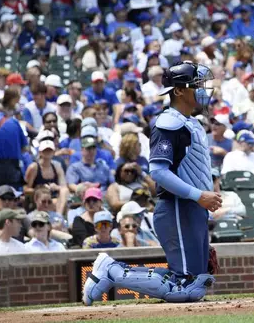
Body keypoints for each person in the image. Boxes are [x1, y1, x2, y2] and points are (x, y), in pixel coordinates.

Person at [83, 62, 220, 305]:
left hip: (192, 208)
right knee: (186, 288)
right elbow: (158, 171)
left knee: (195, 283)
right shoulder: (168, 122)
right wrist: (198, 195)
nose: (202, 90)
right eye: (196, 85)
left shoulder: (192, 123)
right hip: (177, 206)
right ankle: (112, 270)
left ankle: (111, 270)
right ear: (178, 90)